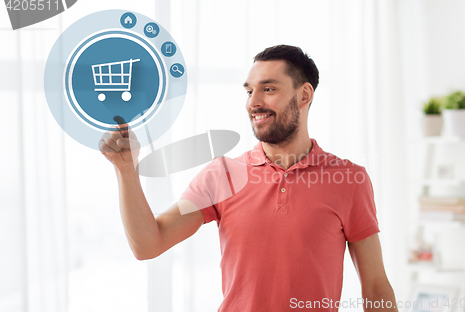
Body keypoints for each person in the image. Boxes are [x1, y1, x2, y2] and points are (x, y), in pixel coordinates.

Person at [99, 45, 398, 311]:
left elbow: (375, 288)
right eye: (249, 91)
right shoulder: (222, 175)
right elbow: (148, 244)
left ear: (304, 95)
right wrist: (126, 170)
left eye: (268, 89)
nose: (253, 102)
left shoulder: (349, 180)